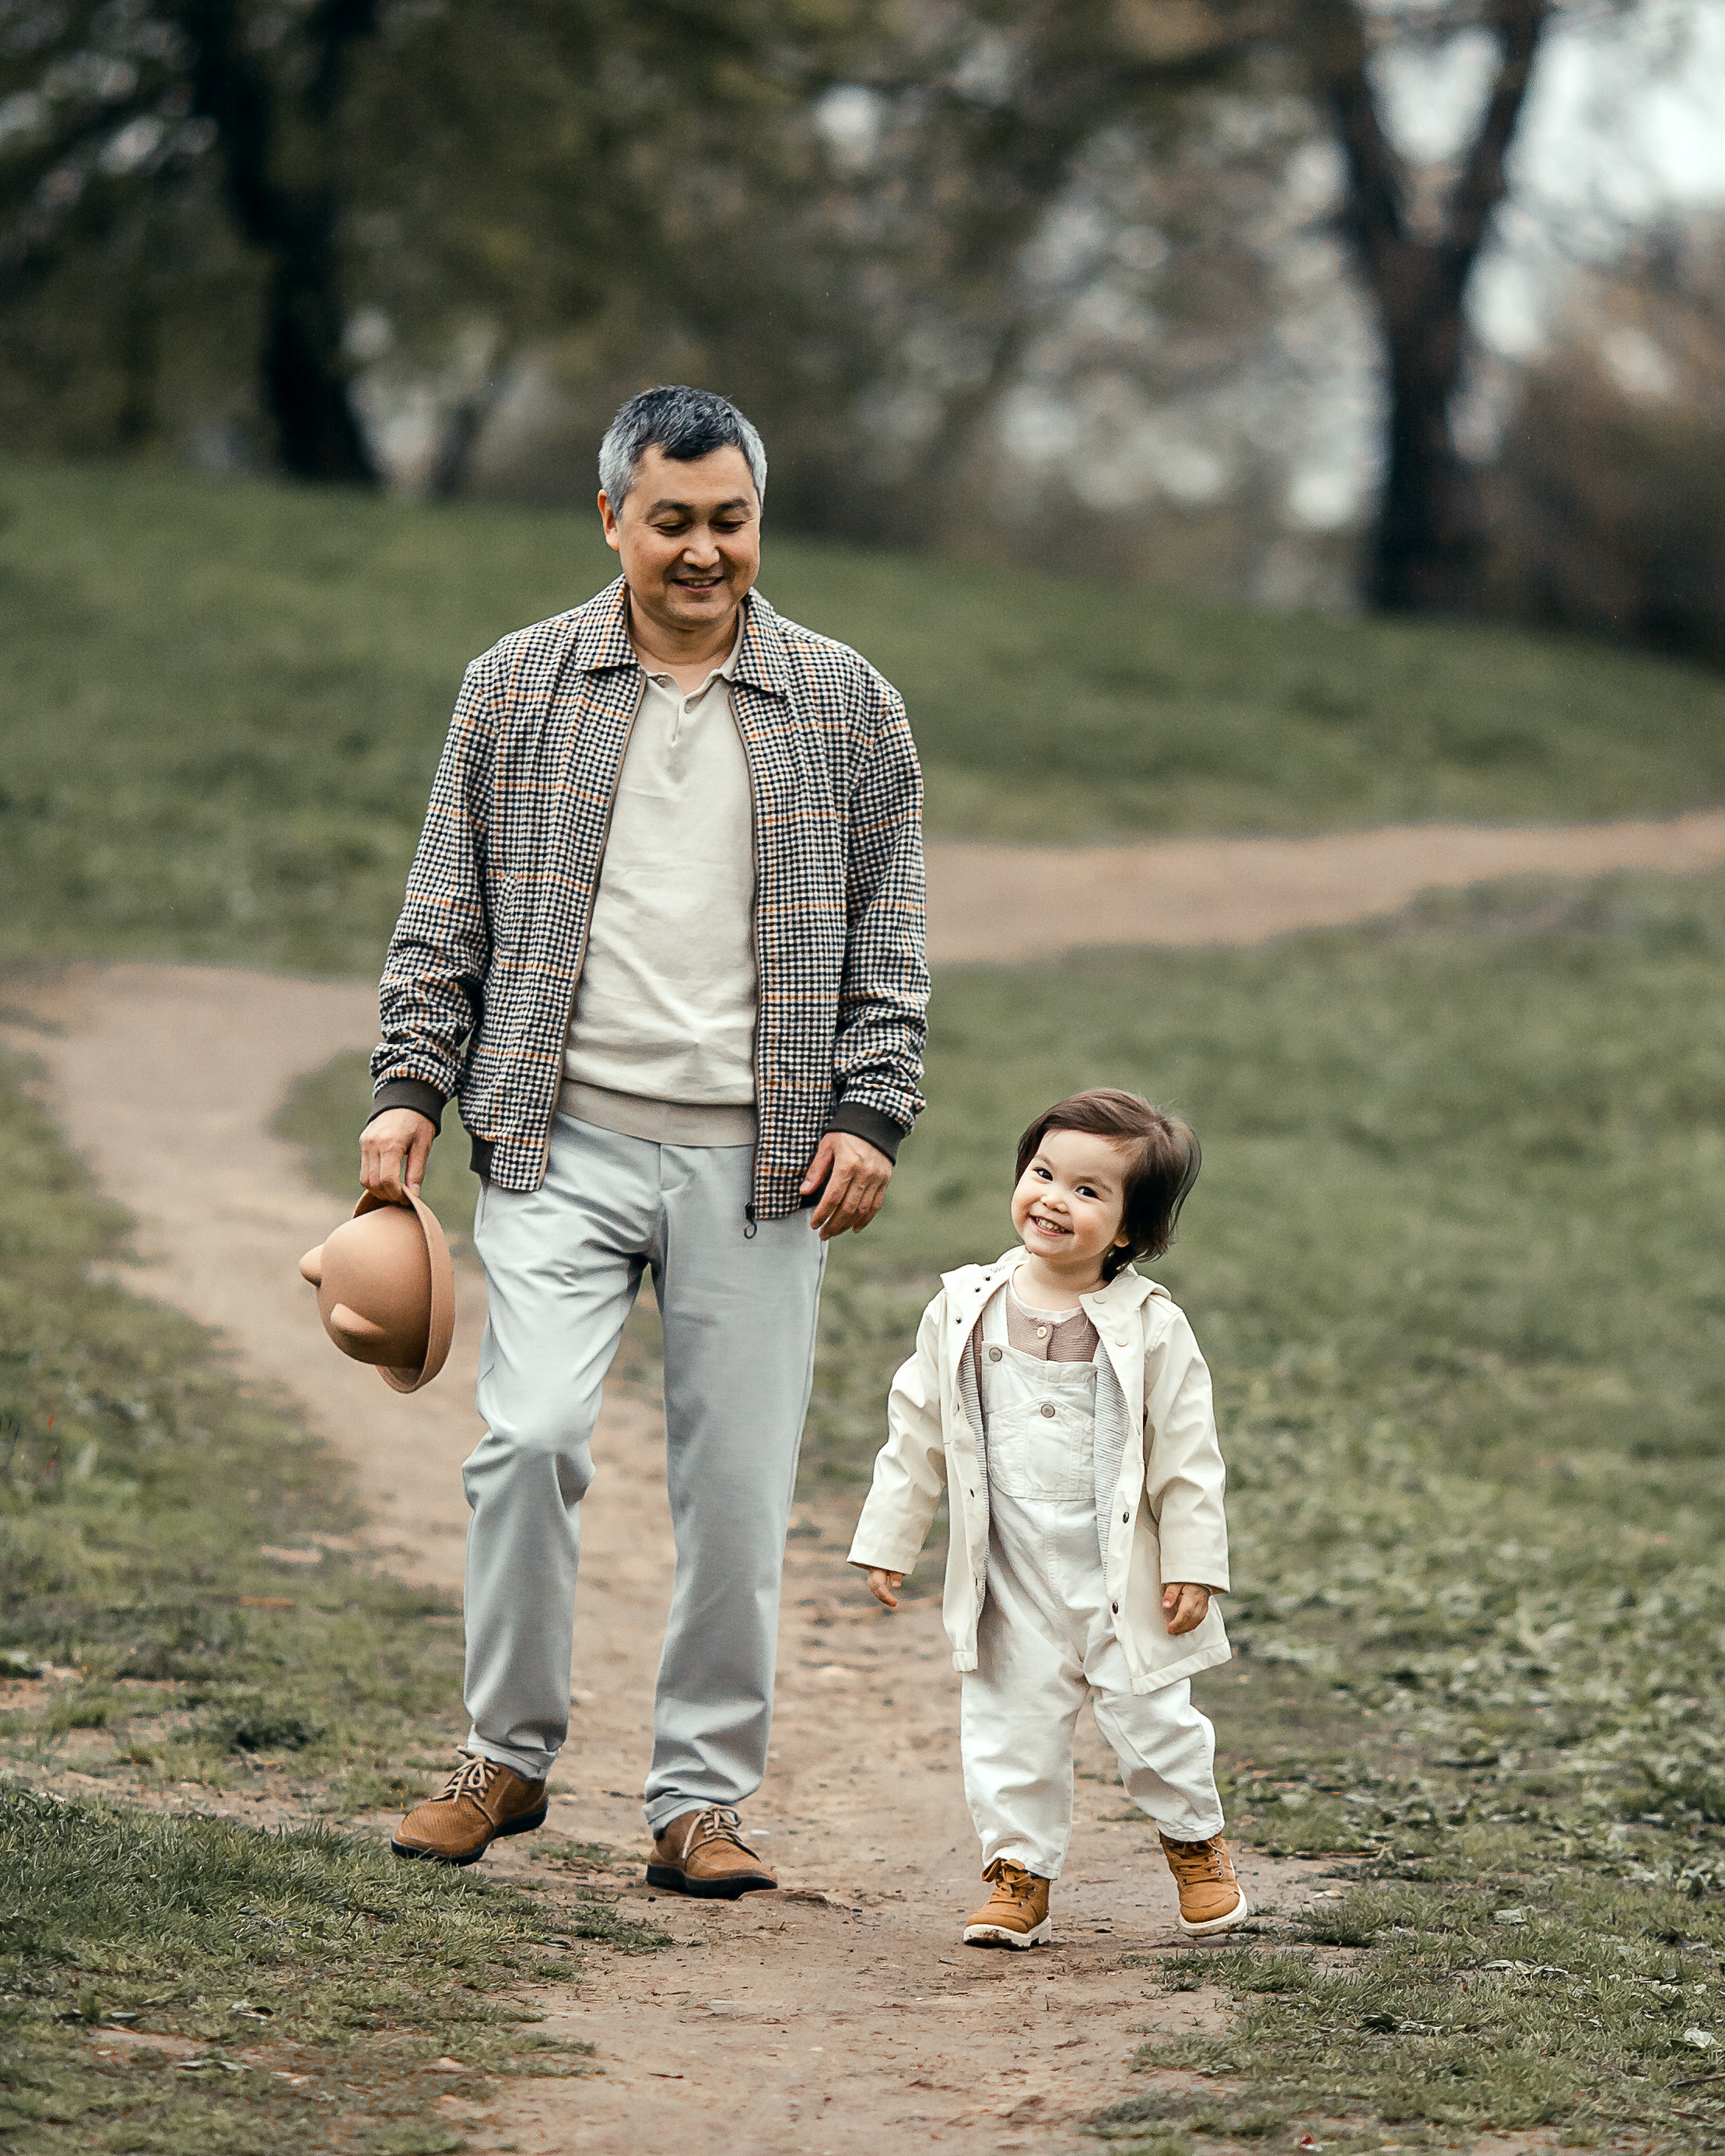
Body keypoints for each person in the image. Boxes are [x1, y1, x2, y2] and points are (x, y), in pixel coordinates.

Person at [363, 384, 928, 1892]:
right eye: (670, 520)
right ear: (611, 515)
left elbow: (893, 937)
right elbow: (445, 914)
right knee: (528, 1437)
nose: (700, 551)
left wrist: (872, 1109)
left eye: (727, 520)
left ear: (759, 519)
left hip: (762, 1166)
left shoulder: (849, 704)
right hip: (560, 1140)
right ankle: (504, 1750)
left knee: (735, 1485)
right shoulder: (515, 686)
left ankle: (699, 1798)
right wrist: (409, 1089)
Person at [847, 1088, 1248, 1946]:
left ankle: (1195, 1842)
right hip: (1012, 1570)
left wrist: (1194, 1561)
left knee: (1154, 1724)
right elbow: (917, 1429)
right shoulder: (965, 1306)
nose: (1054, 1199)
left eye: (1089, 1191)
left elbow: (1187, 1450)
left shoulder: (1152, 1324)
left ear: (1133, 1231)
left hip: (1117, 1573)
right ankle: (1018, 1871)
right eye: (1043, 1173)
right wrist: (890, 1538)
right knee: (1007, 1725)